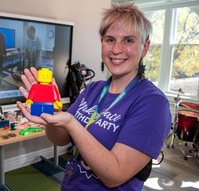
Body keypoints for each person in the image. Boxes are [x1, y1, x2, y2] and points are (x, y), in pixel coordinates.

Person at [17, 3, 171, 191]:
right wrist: (50, 115)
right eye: (110, 39)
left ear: (144, 47)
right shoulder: (94, 89)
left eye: (128, 40)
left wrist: (72, 123)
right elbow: (61, 139)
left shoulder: (153, 103)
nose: (116, 49)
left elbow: (114, 175)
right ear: (102, 43)